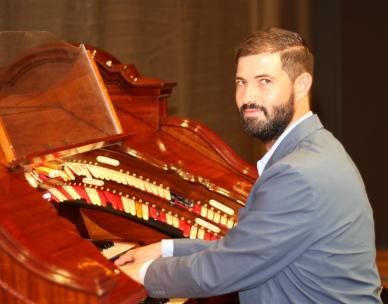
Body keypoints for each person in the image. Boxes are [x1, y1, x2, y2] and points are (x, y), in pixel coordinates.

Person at [115, 28, 382, 303]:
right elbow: (248, 249)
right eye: (241, 82)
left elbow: (222, 270)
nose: (248, 97)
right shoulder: (317, 147)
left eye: (264, 81)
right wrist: (166, 249)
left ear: (301, 85)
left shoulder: (299, 173)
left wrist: (140, 274)